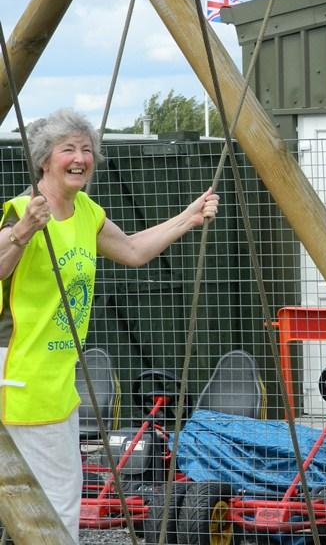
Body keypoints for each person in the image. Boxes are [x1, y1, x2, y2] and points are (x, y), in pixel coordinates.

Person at [0, 108, 219, 542]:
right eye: (69, 149)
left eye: (87, 149)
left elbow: (134, 250)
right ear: (45, 159)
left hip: (56, 380)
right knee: (54, 502)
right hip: (17, 374)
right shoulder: (20, 211)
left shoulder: (86, 211)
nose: (81, 157)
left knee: (45, 497)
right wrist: (24, 231)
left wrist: (187, 218)